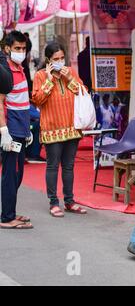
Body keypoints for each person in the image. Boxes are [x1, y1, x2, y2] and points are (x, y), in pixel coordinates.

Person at [32, 41, 87, 218]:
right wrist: (50, 80)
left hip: (72, 127)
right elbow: (38, 100)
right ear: (48, 60)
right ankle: (54, 202)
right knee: (53, 166)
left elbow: (83, 92)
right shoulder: (40, 75)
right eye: (56, 59)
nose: (60, 61)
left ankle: (70, 201)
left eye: (62, 58)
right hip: (52, 129)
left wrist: (69, 79)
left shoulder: (70, 72)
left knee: (69, 167)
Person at [0, 31, 33, 229]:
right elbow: (0, 103)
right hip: (11, 131)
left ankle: (9, 211)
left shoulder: (21, 68)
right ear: (7, 49)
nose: (21, 52)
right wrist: (4, 131)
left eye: (23, 48)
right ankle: (6, 217)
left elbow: (23, 102)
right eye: (17, 48)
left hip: (21, 130)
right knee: (10, 174)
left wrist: (27, 130)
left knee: (18, 174)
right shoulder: (4, 71)